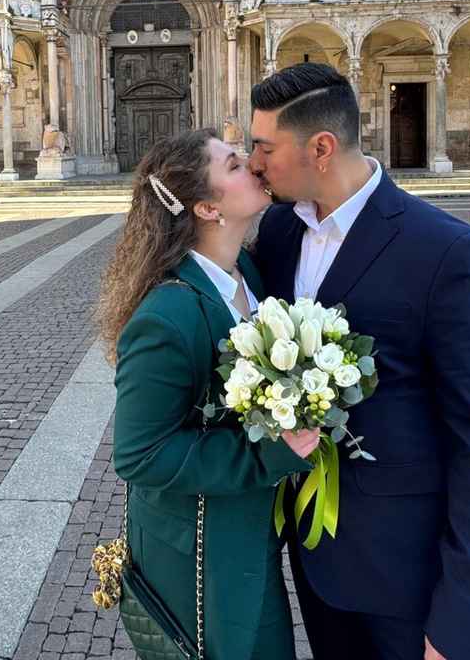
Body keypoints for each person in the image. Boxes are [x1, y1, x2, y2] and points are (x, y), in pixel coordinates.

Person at [248, 62, 470, 660]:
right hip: (316, 568)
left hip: (410, 586)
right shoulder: (276, 233)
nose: (254, 163)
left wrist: (463, 627)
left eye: (265, 148)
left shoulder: (446, 252)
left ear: (321, 147)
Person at [102, 129, 320, 660]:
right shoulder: (166, 317)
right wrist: (271, 453)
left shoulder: (245, 272)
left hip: (243, 532)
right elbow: (138, 454)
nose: (252, 164)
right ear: (207, 207)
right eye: (233, 164)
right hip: (198, 552)